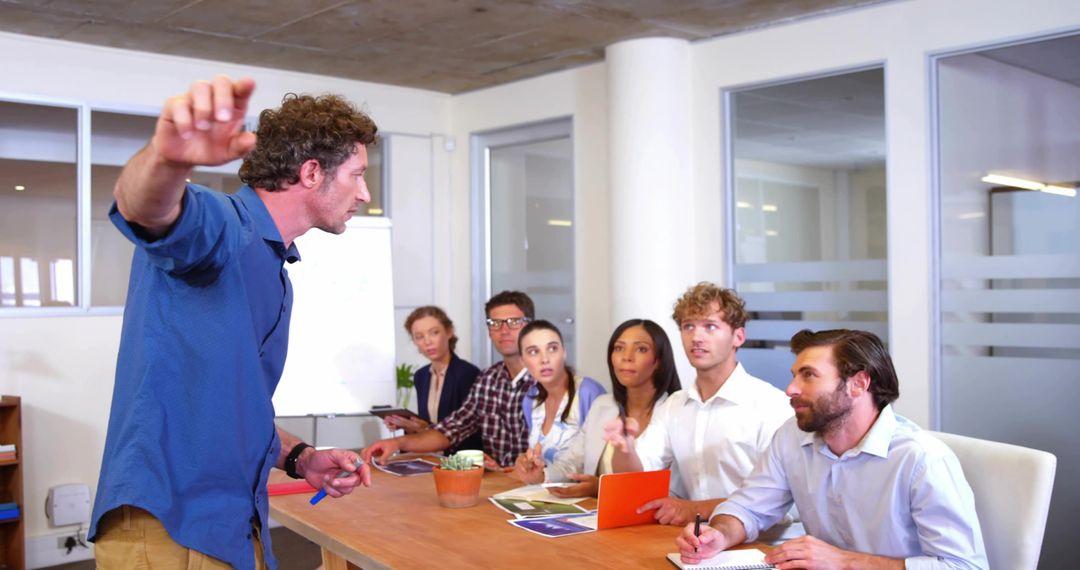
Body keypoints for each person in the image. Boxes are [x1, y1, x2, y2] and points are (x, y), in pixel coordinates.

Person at [88, 76, 377, 570]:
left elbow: (235, 409)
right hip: (171, 527)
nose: (366, 193)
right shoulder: (223, 227)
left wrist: (300, 457)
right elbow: (146, 209)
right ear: (311, 172)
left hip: (234, 527)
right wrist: (168, 160)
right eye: (357, 175)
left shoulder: (276, 269)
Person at [676, 329, 988, 570]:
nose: (791, 389)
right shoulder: (791, 437)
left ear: (858, 384)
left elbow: (963, 566)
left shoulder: (921, 459)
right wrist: (719, 534)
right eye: (794, 375)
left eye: (808, 375)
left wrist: (845, 562)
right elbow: (748, 508)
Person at [604, 283, 792, 526]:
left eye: (710, 326)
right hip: (692, 542)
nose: (696, 337)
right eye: (688, 326)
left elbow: (780, 501)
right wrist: (624, 447)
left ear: (738, 336)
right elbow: (635, 477)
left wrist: (696, 509)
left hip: (760, 546)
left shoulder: (771, 405)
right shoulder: (674, 405)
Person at [363, 291, 537, 468]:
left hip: (540, 487)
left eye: (514, 322)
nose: (504, 330)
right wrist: (397, 443)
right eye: (495, 323)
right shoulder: (488, 380)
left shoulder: (548, 379)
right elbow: (452, 429)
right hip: (495, 483)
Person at [514, 319, 681, 498]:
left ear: (659, 360)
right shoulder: (603, 405)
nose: (627, 357)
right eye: (619, 348)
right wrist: (541, 474)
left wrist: (600, 488)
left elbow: (665, 489)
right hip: (597, 516)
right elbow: (572, 462)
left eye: (641, 349)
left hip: (657, 521)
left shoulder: (675, 410)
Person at [513, 320, 606, 480]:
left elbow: (601, 462)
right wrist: (527, 462)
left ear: (564, 352)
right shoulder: (530, 399)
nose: (545, 359)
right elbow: (539, 459)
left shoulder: (588, 392)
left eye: (552, 348)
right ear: (523, 361)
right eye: (533, 352)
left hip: (585, 497)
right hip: (546, 493)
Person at [383, 306, 483, 454]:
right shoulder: (421, 376)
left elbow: (470, 430)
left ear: (449, 332)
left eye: (434, 333)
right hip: (429, 458)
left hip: (460, 462)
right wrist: (408, 426)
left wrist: (424, 429)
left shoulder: (468, 373)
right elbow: (424, 423)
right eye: (419, 336)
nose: (427, 341)